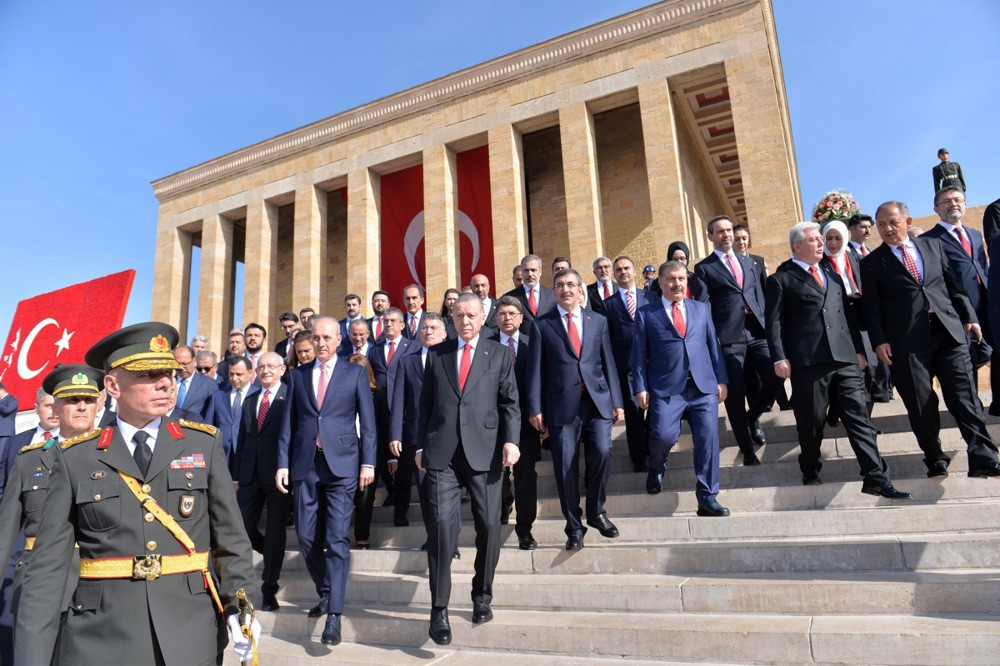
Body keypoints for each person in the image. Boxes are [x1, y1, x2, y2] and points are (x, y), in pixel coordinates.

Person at [16, 323, 257, 665]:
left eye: (170, 373)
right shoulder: (74, 457)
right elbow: (48, 569)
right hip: (101, 638)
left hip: (189, 634)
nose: (166, 383)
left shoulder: (203, 443)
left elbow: (231, 540)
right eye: (149, 374)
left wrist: (239, 607)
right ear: (112, 385)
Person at [766, 223, 910, 497]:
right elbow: (773, 323)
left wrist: (858, 350)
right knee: (813, 421)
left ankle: (876, 477)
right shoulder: (780, 279)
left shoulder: (832, 275)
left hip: (844, 359)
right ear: (797, 246)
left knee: (859, 419)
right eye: (814, 240)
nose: (822, 243)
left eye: (822, 239)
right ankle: (809, 466)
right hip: (809, 363)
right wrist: (779, 357)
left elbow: (846, 316)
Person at [862, 201, 1000, 479]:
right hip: (906, 343)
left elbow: (954, 287)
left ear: (908, 221)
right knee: (920, 402)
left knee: (965, 397)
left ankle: (983, 456)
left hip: (948, 332)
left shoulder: (933, 246)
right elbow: (871, 308)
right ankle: (935, 457)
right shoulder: (872, 263)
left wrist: (969, 318)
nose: (887, 229)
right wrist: (879, 340)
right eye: (881, 224)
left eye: (893, 222)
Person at [415, 294, 520, 645]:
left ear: (482, 316)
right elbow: (425, 405)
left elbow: (509, 403)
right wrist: (419, 445)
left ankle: (482, 594)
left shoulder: (499, 353)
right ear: (452, 319)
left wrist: (511, 441)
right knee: (442, 527)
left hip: (485, 452)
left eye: (471, 315)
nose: (465, 321)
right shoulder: (438, 355)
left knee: (490, 525)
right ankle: (439, 608)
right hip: (442, 454)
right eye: (458, 315)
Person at [276, 315, 376, 646]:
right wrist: (282, 464)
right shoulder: (298, 375)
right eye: (315, 337)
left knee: (336, 538)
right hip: (306, 465)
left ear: (338, 340)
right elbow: (289, 425)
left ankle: (334, 614)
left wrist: (369, 462)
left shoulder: (354, 372)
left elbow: (369, 422)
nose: (319, 343)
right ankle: (326, 588)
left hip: (343, 465)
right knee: (306, 538)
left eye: (326, 337)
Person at [0, 367, 100, 665]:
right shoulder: (30, 458)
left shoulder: (119, 459)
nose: (81, 406)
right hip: (38, 584)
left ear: (100, 404)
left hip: (98, 585)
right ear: (54, 407)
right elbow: (6, 531)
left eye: (88, 399)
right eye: (72, 400)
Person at [527, 268, 624, 550]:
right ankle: (573, 526)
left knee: (604, 452)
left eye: (571, 284)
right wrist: (535, 407)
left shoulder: (598, 321)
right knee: (565, 466)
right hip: (560, 406)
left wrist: (617, 401)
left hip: (597, 402)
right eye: (559, 285)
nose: (566, 289)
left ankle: (596, 511)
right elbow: (535, 371)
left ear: (581, 290)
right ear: (554, 291)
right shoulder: (541, 325)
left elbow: (608, 364)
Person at [632, 262, 730, 515]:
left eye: (681, 279)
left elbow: (713, 346)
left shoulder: (700, 309)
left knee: (707, 441)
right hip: (666, 389)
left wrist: (721, 379)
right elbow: (638, 355)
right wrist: (640, 387)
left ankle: (707, 497)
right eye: (671, 279)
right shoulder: (646, 313)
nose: (677, 284)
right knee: (662, 436)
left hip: (702, 386)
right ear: (660, 283)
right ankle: (657, 466)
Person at [693, 215, 780, 466]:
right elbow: (703, 306)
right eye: (720, 232)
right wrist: (712, 341)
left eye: (729, 230)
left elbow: (759, 295)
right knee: (735, 394)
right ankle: (747, 449)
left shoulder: (748, 261)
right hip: (728, 337)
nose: (727, 235)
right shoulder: (704, 268)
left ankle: (753, 416)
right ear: (710, 236)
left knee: (776, 374)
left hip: (757, 331)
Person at [920, 186, 997, 402]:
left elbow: (981, 265)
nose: (953, 204)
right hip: (958, 310)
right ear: (936, 208)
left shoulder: (974, 234)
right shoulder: (928, 240)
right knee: (967, 361)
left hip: (986, 304)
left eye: (958, 200)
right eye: (947, 201)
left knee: (993, 351)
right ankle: (972, 405)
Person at [0, 388, 59, 663]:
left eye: (58, 405)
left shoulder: (75, 444)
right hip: (17, 539)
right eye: (48, 405)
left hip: (53, 538)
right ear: (37, 408)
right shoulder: (17, 443)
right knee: (9, 613)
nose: (54, 411)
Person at [233, 352, 291, 612]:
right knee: (241, 527)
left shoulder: (290, 396)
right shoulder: (251, 399)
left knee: (276, 531)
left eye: (271, 366)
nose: (265, 370)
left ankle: (270, 589)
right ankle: (270, 552)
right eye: (261, 366)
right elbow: (243, 440)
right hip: (249, 475)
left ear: (282, 369)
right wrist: (236, 475)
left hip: (279, 474)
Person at [490, 296, 543, 548]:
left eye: (512, 313)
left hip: (526, 422)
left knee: (525, 475)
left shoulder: (532, 344)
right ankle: (503, 504)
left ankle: (524, 528)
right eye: (501, 313)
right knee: (497, 475)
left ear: (521, 318)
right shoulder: (485, 346)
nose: (507, 317)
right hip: (493, 424)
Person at [389, 314, 448, 532]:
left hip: (448, 434)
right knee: (424, 490)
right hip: (416, 436)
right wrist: (395, 434)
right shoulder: (407, 362)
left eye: (433, 327)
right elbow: (398, 402)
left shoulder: (453, 358)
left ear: (444, 333)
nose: (428, 331)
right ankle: (433, 536)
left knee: (447, 491)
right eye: (424, 328)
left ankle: (451, 541)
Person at [602, 255, 658, 471]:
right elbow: (607, 339)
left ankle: (652, 447)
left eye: (627, 268)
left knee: (655, 411)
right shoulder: (608, 305)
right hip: (626, 369)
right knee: (634, 416)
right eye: (619, 270)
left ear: (635, 272)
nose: (623, 272)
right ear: (614, 275)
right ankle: (639, 458)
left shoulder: (652, 298)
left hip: (653, 365)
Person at [366, 307, 419, 533]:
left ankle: (401, 512)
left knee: (406, 468)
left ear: (402, 325)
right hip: (381, 413)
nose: (388, 324)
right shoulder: (375, 350)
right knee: (388, 460)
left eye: (393, 321)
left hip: (407, 414)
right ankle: (394, 500)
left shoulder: (414, 347)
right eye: (385, 321)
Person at [821, 220, 882, 408]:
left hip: (860, 313)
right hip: (835, 316)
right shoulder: (818, 262)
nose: (833, 243)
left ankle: (866, 417)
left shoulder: (857, 258)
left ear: (845, 237)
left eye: (838, 238)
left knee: (871, 366)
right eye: (828, 238)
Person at [205, 356, 258, 469]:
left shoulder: (258, 395)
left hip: (249, 455)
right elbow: (208, 427)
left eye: (239, 374)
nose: (234, 378)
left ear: (250, 373)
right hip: (222, 455)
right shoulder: (218, 395)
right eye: (231, 374)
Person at [504, 254, 557, 332]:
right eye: (526, 270)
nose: (530, 274)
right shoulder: (510, 297)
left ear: (540, 272)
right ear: (522, 272)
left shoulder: (552, 295)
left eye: (533, 270)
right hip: (523, 342)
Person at [172, 345, 215, 418]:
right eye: (177, 364)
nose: (181, 368)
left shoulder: (209, 384)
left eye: (185, 364)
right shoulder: (168, 383)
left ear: (194, 361)